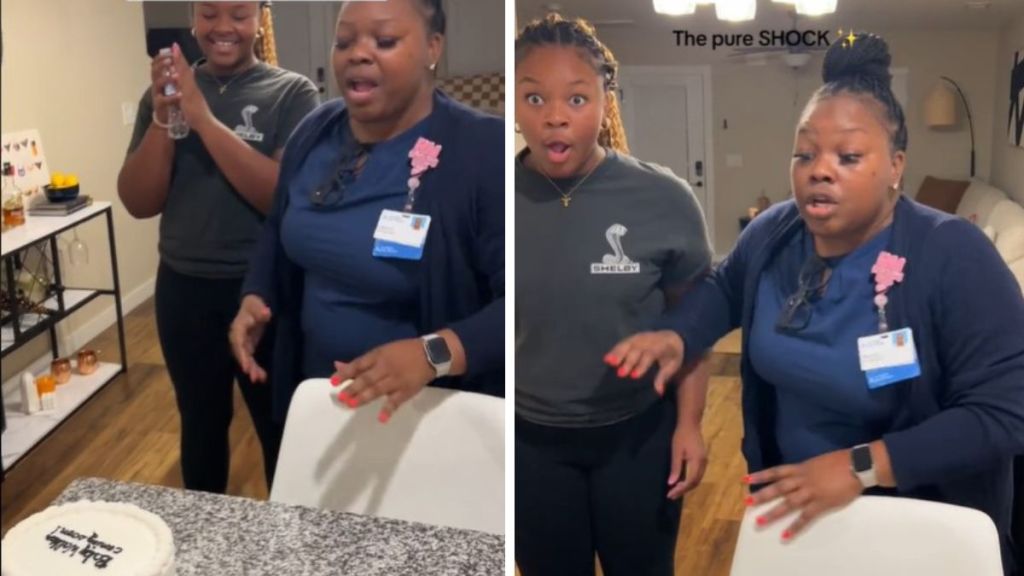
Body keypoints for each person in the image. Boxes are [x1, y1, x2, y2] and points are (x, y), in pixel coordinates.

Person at [609, 33, 1024, 575]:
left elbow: (1004, 412)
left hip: (920, 525)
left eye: (848, 156)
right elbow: (725, 288)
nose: (819, 169)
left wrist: (862, 466)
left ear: (897, 165)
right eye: (804, 153)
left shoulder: (951, 254)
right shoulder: (775, 232)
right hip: (800, 512)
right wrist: (677, 334)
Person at [229, 0, 504, 427]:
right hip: (315, 401)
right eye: (344, 41)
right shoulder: (315, 131)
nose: (358, 53)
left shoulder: (483, 151)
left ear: (433, 48)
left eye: (385, 40)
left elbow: (524, 306)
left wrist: (433, 354)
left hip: (426, 419)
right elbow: (278, 229)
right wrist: (256, 295)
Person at [514, 14, 712, 576]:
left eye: (576, 99)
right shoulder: (496, 199)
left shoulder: (664, 198)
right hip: (533, 447)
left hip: (639, 439)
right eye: (534, 97)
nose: (555, 116)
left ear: (606, 100)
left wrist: (690, 424)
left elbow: (693, 324)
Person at [118, 1, 320, 493]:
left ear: (259, 19)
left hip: (265, 293)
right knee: (201, 424)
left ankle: (286, 548)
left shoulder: (292, 93)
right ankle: (202, 547)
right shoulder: (162, 96)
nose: (223, 27)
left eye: (238, 13)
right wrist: (168, 117)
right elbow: (137, 201)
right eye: (209, 13)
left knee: (279, 428)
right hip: (183, 289)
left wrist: (203, 119)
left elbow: (280, 197)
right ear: (193, 18)